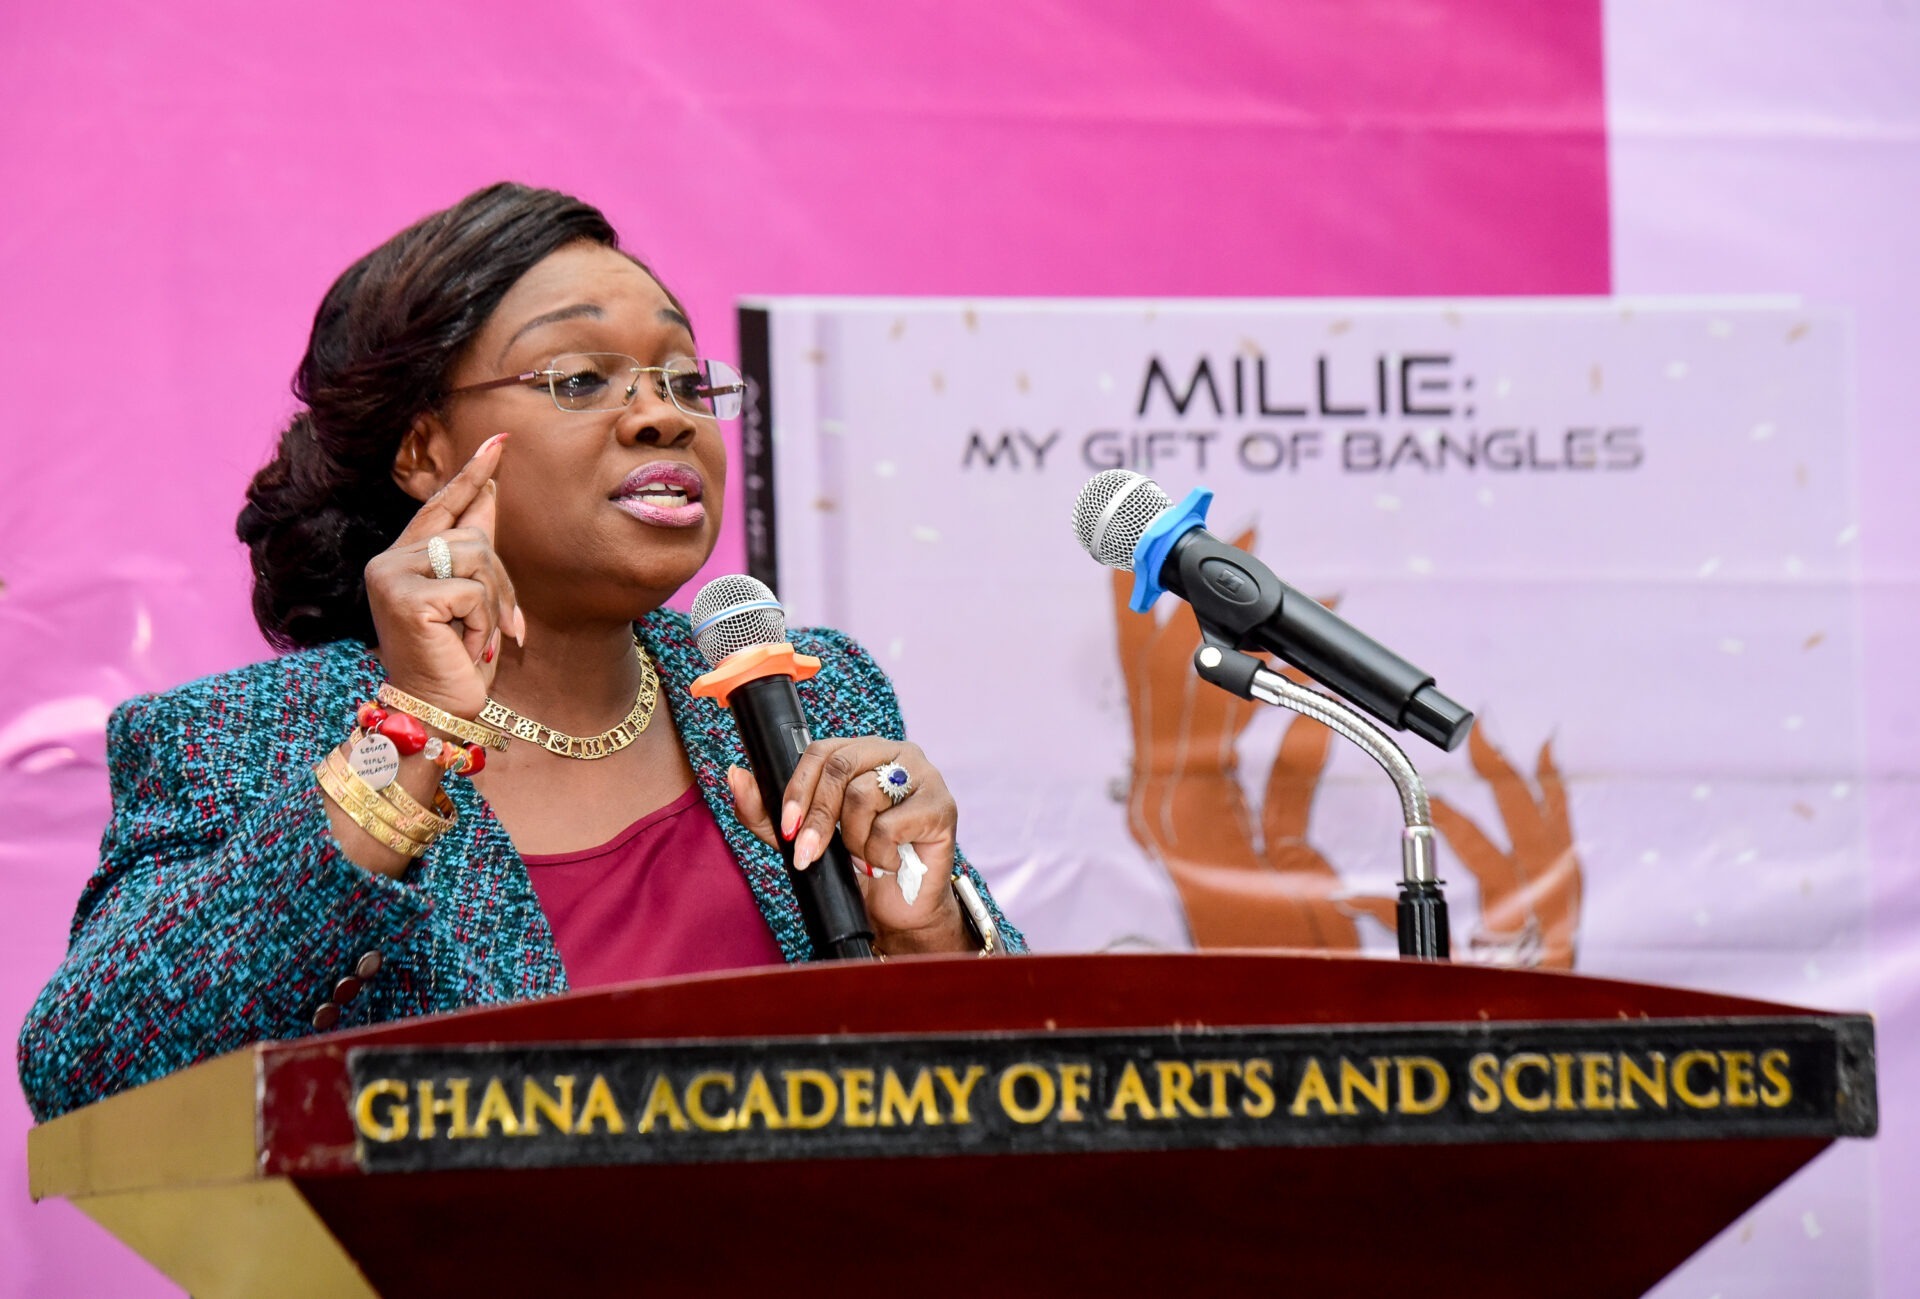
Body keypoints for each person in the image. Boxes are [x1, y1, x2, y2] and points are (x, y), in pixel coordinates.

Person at [16, 182, 1022, 1123]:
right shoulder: (240, 738)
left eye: (684, 378)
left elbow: (1022, 1098)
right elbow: (89, 1070)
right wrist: (405, 740)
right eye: (580, 379)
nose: (663, 415)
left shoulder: (806, 693)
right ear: (424, 452)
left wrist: (928, 939)